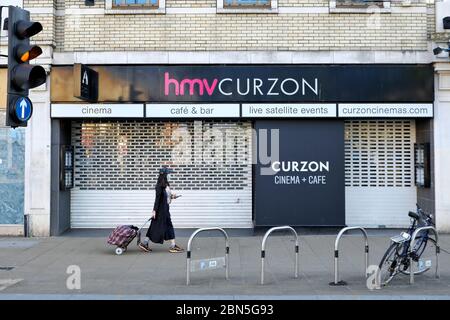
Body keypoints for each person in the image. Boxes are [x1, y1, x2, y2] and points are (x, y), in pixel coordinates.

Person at [139, 167, 184, 253]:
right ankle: (172, 246)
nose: (170, 175)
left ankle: (145, 243)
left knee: (160, 226)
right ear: (164, 175)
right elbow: (157, 199)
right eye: (169, 174)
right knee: (161, 226)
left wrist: (172, 196)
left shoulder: (166, 185)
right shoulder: (159, 186)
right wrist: (154, 211)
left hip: (165, 209)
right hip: (160, 210)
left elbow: (166, 196)